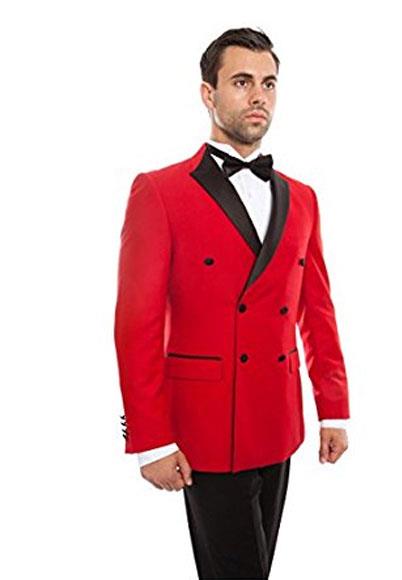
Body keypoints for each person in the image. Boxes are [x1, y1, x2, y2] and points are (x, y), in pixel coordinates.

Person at [114, 26, 350, 580]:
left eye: (268, 83)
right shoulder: (159, 191)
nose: (258, 96)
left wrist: (333, 409)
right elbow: (136, 324)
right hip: (204, 428)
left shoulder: (302, 196)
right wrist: (151, 440)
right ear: (209, 93)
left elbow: (317, 310)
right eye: (242, 82)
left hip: (279, 421)